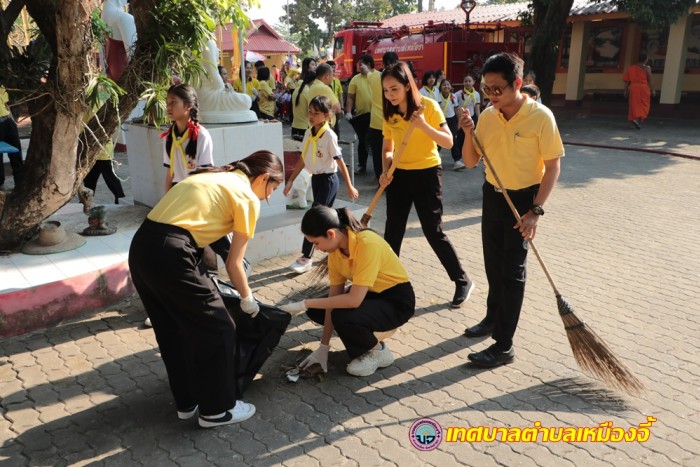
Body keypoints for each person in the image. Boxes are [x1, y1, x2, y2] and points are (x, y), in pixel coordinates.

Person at [128, 150, 284, 428]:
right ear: (263, 178)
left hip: (142, 247)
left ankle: (187, 403)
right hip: (173, 253)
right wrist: (247, 298)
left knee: (171, 329)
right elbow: (234, 264)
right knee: (219, 328)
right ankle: (217, 410)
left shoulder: (214, 177)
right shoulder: (247, 197)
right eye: (272, 188)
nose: (268, 196)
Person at [458, 52, 563, 368]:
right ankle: (492, 318)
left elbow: (553, 167)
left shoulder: (541, 117)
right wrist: (468, 132)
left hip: (523, 201)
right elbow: (471, 161)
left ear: (517, 84)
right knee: (493, 266)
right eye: (486, 88)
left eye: (497, 89)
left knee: (512, 273)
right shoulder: (488, 117)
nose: (491, 95)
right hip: (493, 196)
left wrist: (535, 212)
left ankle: (503, 346)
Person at [279, 205, 415, 377]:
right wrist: (323, 347)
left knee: (342, 316)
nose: (317, 249)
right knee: (318, 309)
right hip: (369, 294)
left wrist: (304, 303)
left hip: (396, 302)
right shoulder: (336, 251)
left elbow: (353, 301)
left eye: (316, 243)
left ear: (331, 234)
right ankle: (366, 331)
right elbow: (334, 297)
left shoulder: (367, 244)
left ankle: (379, 352)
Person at [379, 62, 474, 308]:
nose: (390, 95)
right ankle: (386, 282)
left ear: (407, 85)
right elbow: (388, 147)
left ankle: (462, 280)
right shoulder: (389, 112)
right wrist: (386, 170)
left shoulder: (428, 106)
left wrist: (423, 125)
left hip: (427, 174)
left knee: (433, 231)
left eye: (394, 89)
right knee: (393, 230)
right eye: (386, 90)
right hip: (399, 175)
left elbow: (448, 142)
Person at [285, 95, 358, 274]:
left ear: (326, 115)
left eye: (316, 113)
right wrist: (291, 180)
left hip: (328, 180)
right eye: (310, 112)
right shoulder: (309, 133)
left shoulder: (329, 136)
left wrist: (350, 186)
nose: (311, 116)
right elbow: (303, 159)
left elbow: (340, 162)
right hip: (316, 179)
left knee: (315, 217)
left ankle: (306, 257)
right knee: (327, 218)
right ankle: (345, 242)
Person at [161, 84, 213, 193]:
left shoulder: (201, 135)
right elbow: (170, 172)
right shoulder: (168, 137)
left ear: (188, 105)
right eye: (167, 103)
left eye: (173, 102)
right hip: (176, 190)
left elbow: (205, 173)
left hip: (196, 190)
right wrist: (166, 198)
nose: (168, 107)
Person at [367, 52, 398, 181]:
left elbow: (368, 74)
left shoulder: (374, 77)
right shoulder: (398, 80)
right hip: (392, 122)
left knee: (378, 153)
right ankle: (391, 178)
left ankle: (381, 180)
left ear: (383, 64)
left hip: (376, 122)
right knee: (392, 152)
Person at [345, 55, 374, 174]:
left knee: (377, 141)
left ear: (369, 64)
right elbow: (350, 97)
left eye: (361, 64)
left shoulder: (378, 76)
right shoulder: (355, 79)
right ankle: (362, 165)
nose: (359, 66)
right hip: (362, 116)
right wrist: (348, 112)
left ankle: (381, 167)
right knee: (362, 141)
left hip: (377, 116)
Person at [83, 135, 126, 204]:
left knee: (110, 178)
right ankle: (86, 200)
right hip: (91, 153)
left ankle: (121, 199)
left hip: (104, 153)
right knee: (89, 179)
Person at [453, 74, 481, 171]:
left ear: (473, 82)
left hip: (472, 118)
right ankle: (460, 159)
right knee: (461, 139)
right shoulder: (457, 94)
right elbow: (456, 108)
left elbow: (477, 109)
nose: (468, 83)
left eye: (470, 81)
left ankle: (473, 159)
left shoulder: (476, 94)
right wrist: (458, 122)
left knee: (472, 140)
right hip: (462, 119)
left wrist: (479, 120)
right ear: (463, 82)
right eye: (466, 81)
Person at [0, 86, 24, 190]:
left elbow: (5, 104)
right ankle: (1, 186)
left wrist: (12, 120)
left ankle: (20, 184)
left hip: (7, 121)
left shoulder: (2, 84)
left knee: (16, 152)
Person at [623, 53, 654, 130]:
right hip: (644, 88)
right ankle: (638, 120)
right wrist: (653, 90)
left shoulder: (631, 68)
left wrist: (625, 90)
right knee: (644, 105)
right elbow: (650, 80)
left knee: (634, 105)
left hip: (634, 88)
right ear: (646, 59)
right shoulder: (647, 68)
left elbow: (627, 81)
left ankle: (633, 122)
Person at [290, 57, 318, 140]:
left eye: (315, 65)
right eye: (312, 64)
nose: (315, 67)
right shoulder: (307, 90)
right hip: (305, 127)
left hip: (295, 126)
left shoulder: (298, 89)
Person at [437, 79, 460, 166]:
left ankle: (457, 161)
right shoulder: (438, 96)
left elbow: (457, 110)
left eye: (448, 85)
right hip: (440, 120)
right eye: (444, 85)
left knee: (454, 140)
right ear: (440, 87)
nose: (446, 86)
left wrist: (459, 122)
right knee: (438, 140)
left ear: (451, 87)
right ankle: (435, 160)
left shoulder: (453, 96)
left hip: (452, 120)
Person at [326, 60, 344, 137]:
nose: (334, 69)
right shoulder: (324, 80)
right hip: (327, 108)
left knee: (337, 128)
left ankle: (337, 142)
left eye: (334, 67)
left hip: (336, 108)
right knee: (328, 127)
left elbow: (340, 95)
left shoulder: (337, 81)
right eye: (332, 67)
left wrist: (342, 108)